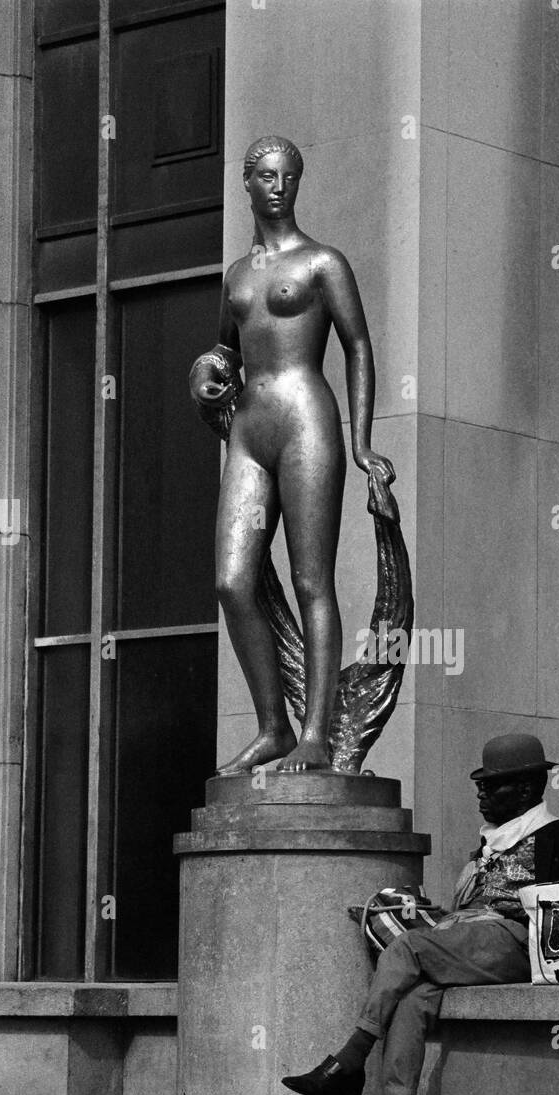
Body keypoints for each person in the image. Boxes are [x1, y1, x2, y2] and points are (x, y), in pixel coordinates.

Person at [282, 733, 559, 1095]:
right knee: (412, 999)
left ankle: (349, 1060)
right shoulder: (490, 842)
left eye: (492, 786)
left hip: (517, 942)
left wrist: (528, 903)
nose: (481, 794)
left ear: (527, 789)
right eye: (481, 785)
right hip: (472, 940)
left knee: (407, 948)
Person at [189, 134, 394, 775]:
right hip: (250, 429)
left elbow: (358, 346)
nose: (279, 187)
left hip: (308, 418)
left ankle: (315, 736)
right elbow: (226, 350)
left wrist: (361, 444)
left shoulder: (323, 263)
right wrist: (205, 374)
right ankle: (273, 726)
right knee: (231, 580)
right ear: (247, 184)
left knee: (311, 581)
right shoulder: (239, 276)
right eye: (268, 176)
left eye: (289, 177)